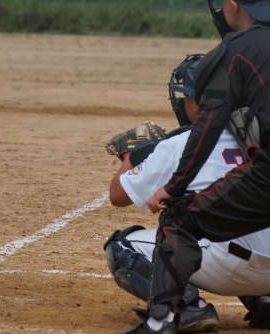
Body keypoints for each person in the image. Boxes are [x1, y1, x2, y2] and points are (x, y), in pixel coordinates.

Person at [118, 0, 270, 334]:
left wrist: (175, 187)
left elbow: (208, 126)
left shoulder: (234, 51)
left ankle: (162, 321)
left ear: (232, 4)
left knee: (179, 220)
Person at [105, 54, 270, 333]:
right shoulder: (262, 138)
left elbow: (117, 195)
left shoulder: (184, 143)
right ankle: (265, 302)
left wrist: (133, 156)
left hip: (229, 267)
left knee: (122, 246)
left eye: (185, 96)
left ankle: (187, 306)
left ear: (198, 102)